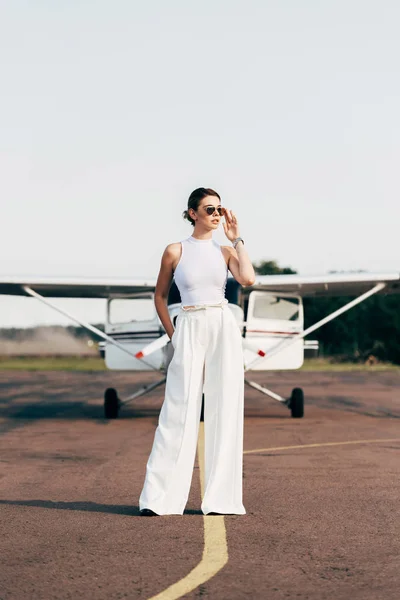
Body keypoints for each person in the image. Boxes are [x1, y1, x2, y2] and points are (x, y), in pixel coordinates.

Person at [138, 187, 255, 516]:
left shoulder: (226, 250)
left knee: (225, 406)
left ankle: (220, 500)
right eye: (209, 210)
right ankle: (158, 500)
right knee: (177, 409)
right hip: (188, 324)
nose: (216, 215)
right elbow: (160, 296)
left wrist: (238, 238)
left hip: (222, 322)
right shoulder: (175, 250)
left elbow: (247, 279)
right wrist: (174, 335)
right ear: (192, 213)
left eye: (219, 209)